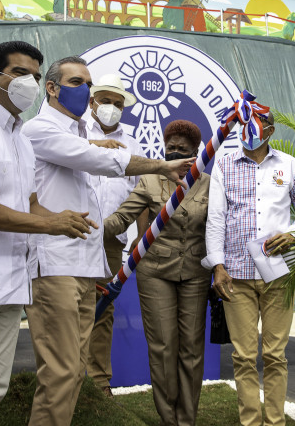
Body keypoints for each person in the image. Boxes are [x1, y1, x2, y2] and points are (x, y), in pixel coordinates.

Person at [20, 55, 195, 425]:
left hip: (89, 261)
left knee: (73, 370)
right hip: (55, 264)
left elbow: (125, 190)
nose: (84, 90)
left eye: (87, 82)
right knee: (61, 371)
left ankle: (97, 386)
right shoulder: (40, 129)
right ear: (51, 88)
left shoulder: (82, 134)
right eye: (76, 82)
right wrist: (160, 166)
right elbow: (96, 161)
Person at [0, 41, 95, 426]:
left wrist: (62, 219)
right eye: (19, 73)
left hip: (14, 281)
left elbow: (30, 204)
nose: (28, 82)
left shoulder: (21, 138)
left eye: (34, 74)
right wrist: (50, 224)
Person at [204, 111, 295, 426]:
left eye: (256, 124)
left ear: (270, 130)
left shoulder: (289, 165)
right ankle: (251, 422)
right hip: (235, 276)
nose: (248, 129)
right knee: (243, 356)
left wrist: (293, 233)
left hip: (278, 274)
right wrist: (217, 265)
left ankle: (275, 421)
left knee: (275, 355)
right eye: (244, 123)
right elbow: (216, 218)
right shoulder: (224, 165)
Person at [104, 119, 212, 425]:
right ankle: (168, 419)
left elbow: (218, 228)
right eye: (170, 146)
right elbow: (122, 218)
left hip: (195, 273)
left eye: (182, 148)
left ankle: (186, 419)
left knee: (191, 349)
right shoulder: (150, 181)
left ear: (195, 153)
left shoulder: (209, 184)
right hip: (155, 272)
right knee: (163, 347)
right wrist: (92, 228)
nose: (175, 151)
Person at [85, 73, 144, 398]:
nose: (111, 108)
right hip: (72, 234)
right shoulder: (77, 134)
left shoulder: (132, 144)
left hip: (110, 242)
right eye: (105, 101)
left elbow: (142, 193)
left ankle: (98, 382)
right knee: (67, 306)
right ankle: (65, 378)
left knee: (103, 307)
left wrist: (141, 235)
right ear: (92, 102)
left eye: (117, 104)